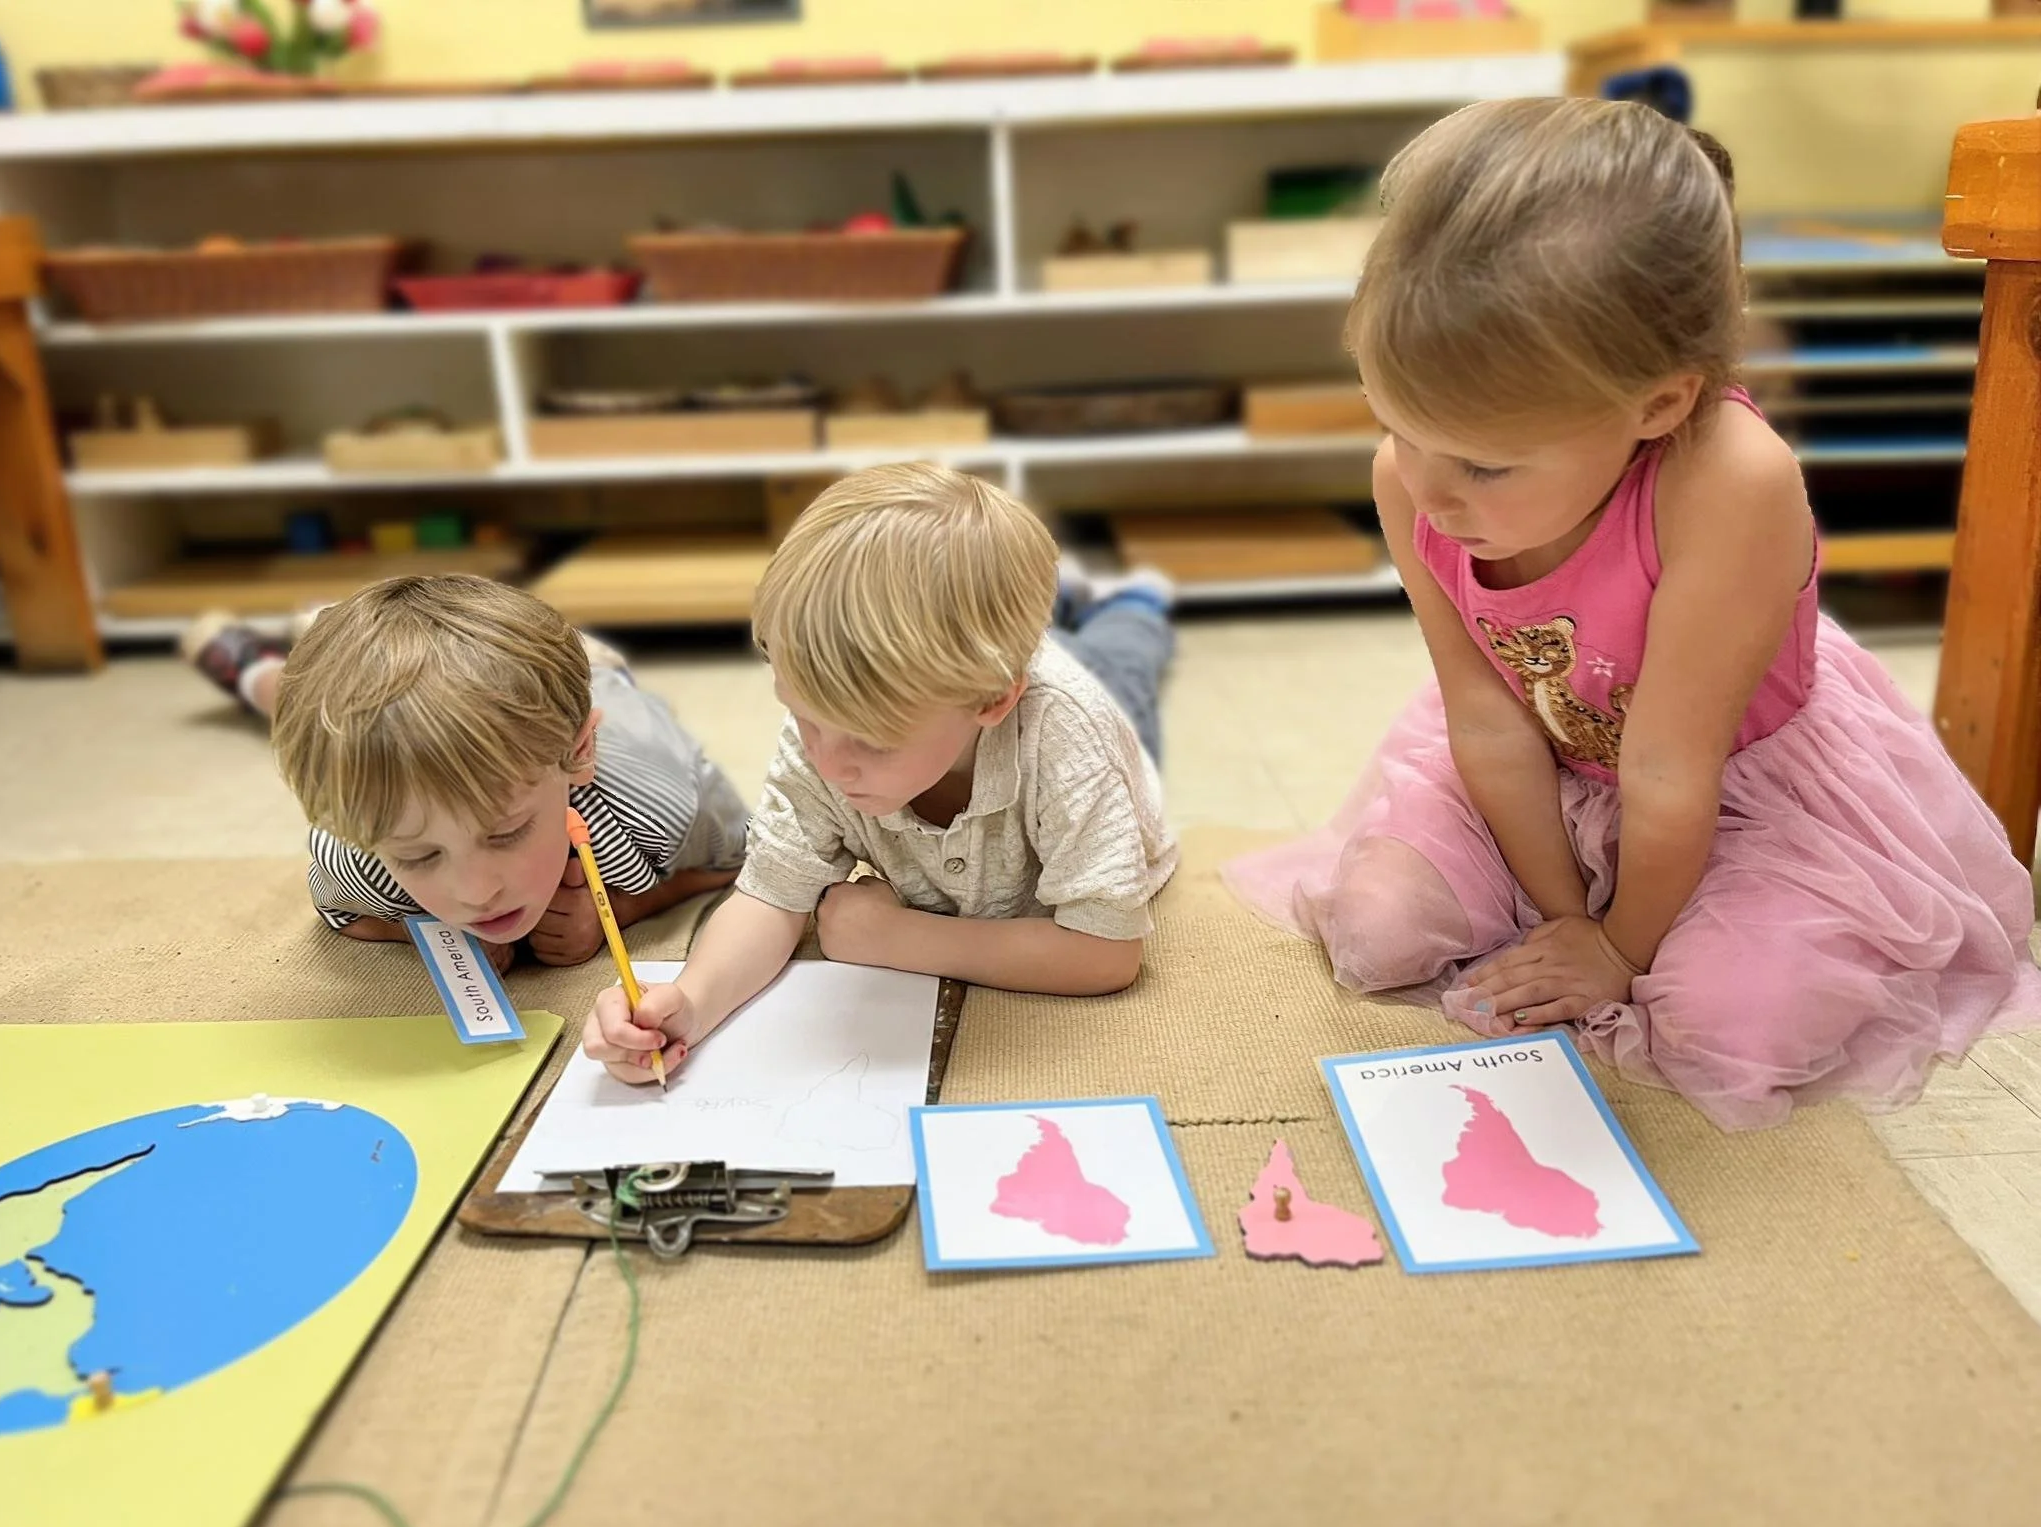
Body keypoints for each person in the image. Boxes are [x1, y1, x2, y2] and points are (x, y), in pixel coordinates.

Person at [1225, 97, 2041, 1130]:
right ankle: (1549, 908)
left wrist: (1618, 947)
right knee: (1381, 930)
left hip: (1740, 786)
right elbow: (1483, 718)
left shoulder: (1730, 482)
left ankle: (1647, 928)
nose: (1429, 494)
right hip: (1546, 754)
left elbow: (1667, 767)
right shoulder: (1415, 479)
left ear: (1654, 406)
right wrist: (1569, 917)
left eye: (1484, 463)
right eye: (1397, 426)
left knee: (1725, 1025)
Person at [582, 462, 1178, 1084]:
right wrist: (690, 1002)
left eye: (872, 741)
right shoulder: (832, 721)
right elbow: (771, 893)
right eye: (802, 717)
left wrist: (894, 939)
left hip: (1094, 728)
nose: (828, 763)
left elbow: (1107, 953)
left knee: (1126, 666)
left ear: (992, 699)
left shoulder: (1069, 741)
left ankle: (1129, 604)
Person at [251, 574, 746, 973]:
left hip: (597, 680)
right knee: (295, 699)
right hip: (481, 668)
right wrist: (434, 934)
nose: (475, 893)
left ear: (578, 755)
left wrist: (621, 908)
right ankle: (262, 664)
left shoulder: (653, 804)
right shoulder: (356, 854)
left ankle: (283, 646)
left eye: (507, 832)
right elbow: (342, 913)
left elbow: (742, 856)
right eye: (419, 855)